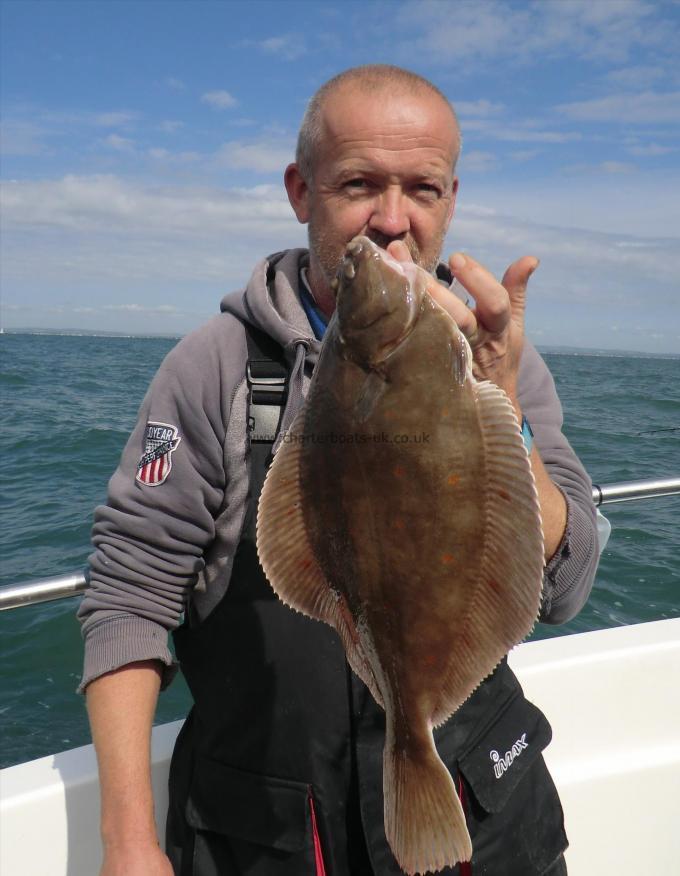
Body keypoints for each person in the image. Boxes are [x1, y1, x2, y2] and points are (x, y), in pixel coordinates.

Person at [78, 65, 599, 876]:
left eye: (422, 189)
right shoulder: (211, 369)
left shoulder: (499, 361)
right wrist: (129, 844)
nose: (392, 222)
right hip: (273, 833)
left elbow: (562, 591)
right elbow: (128, 591)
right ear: (301, 190)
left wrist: (507, 421)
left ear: (451, 199)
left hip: (483, 814)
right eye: (359, 184)